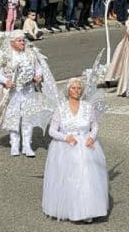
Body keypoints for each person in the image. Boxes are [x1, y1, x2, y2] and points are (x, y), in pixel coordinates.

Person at [43, 78, 109, 223]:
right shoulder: (60, 108)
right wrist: (66, 137)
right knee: (70, 179)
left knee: (86, 177)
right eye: (73, 88)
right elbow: (52, 131)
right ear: (68, 90)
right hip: (66, 148)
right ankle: (71, 209)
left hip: (85, 146)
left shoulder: (87, 107)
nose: (76, 91)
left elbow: (95, 126)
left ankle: (87, 211)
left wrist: (92, 137)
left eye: (79, 88)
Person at [0, 33, 58, 157]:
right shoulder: (5, 55)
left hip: (28, 90)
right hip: (13, 92)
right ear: (12, 42)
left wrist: (38, 76)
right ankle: (14, 144)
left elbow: (38, 68)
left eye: (23, 40)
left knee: (28, 118)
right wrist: (5, 81)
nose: (22, 43)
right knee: (14, 117)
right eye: (19, 41)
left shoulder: (30, 54)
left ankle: (27, 145)